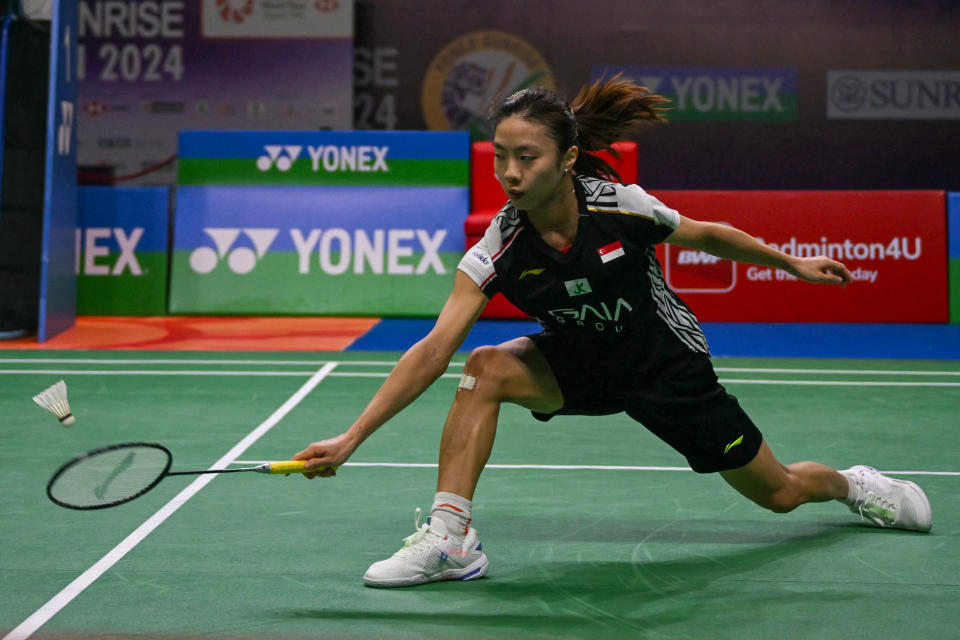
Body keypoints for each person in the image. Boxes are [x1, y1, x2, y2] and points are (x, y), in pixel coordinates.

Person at [292, 76, 933, 588]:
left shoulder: (616, 205)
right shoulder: (501, 244)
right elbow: (435, 348)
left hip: (666, 367)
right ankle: (450, 537)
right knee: (483, 366)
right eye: (500, 158)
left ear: (568, 157)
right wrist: (351, 438)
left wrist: (790, 261)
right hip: (580, 365)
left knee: (782, 493)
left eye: (527, 157)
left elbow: (706, 234)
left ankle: (856, 486)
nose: (511, 173)